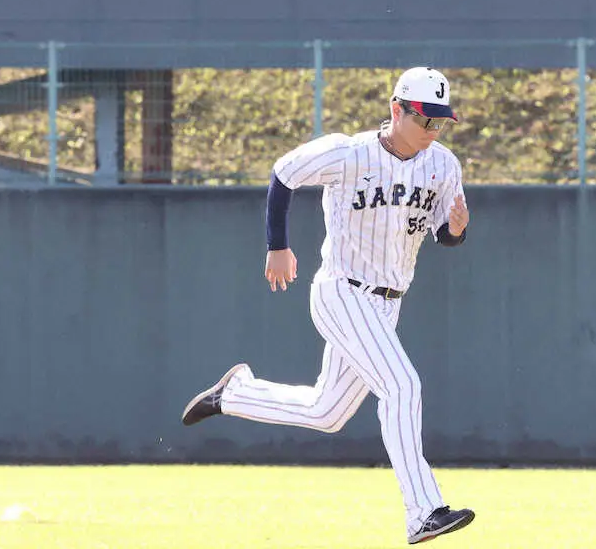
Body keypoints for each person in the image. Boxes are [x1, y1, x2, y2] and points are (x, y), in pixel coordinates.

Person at [181, 67, 475, 545]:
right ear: (396, 109)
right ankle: (424, 511)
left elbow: (445, 236)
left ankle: (233, 394)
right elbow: (284, 172)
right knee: (402, 386)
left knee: (327, 412)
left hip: (387, 304)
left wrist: (458, 229)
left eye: (441, 122)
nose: (433, 131)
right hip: (342, 291)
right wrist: (278, 244)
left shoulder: (443, 165)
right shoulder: (349, 152)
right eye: (425, 120)